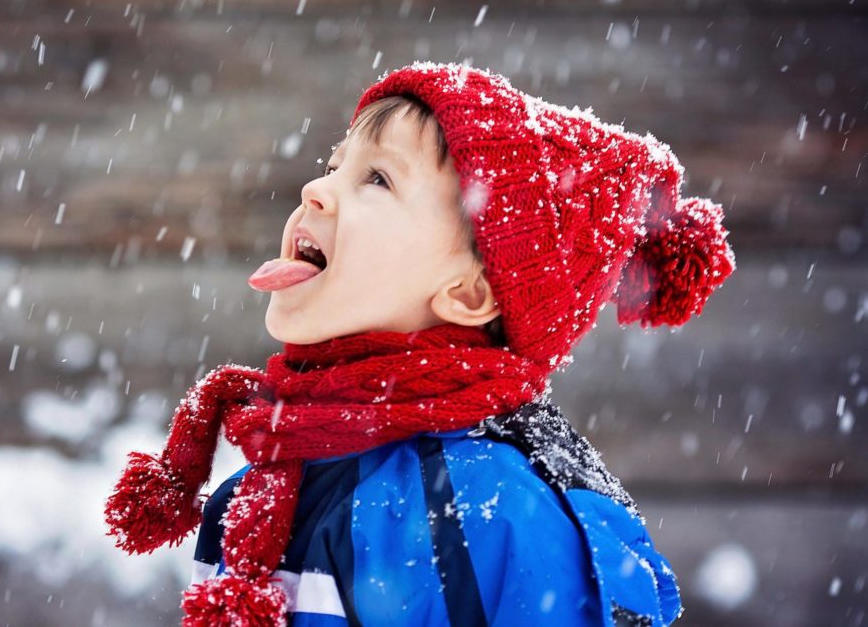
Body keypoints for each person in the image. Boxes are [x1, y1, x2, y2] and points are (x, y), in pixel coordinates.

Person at [105, 61, 736, 626]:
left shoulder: (496, 513)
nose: (314, 189)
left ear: (466, 293)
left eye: (375, 179)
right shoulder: (260, 492)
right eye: (332, 166)